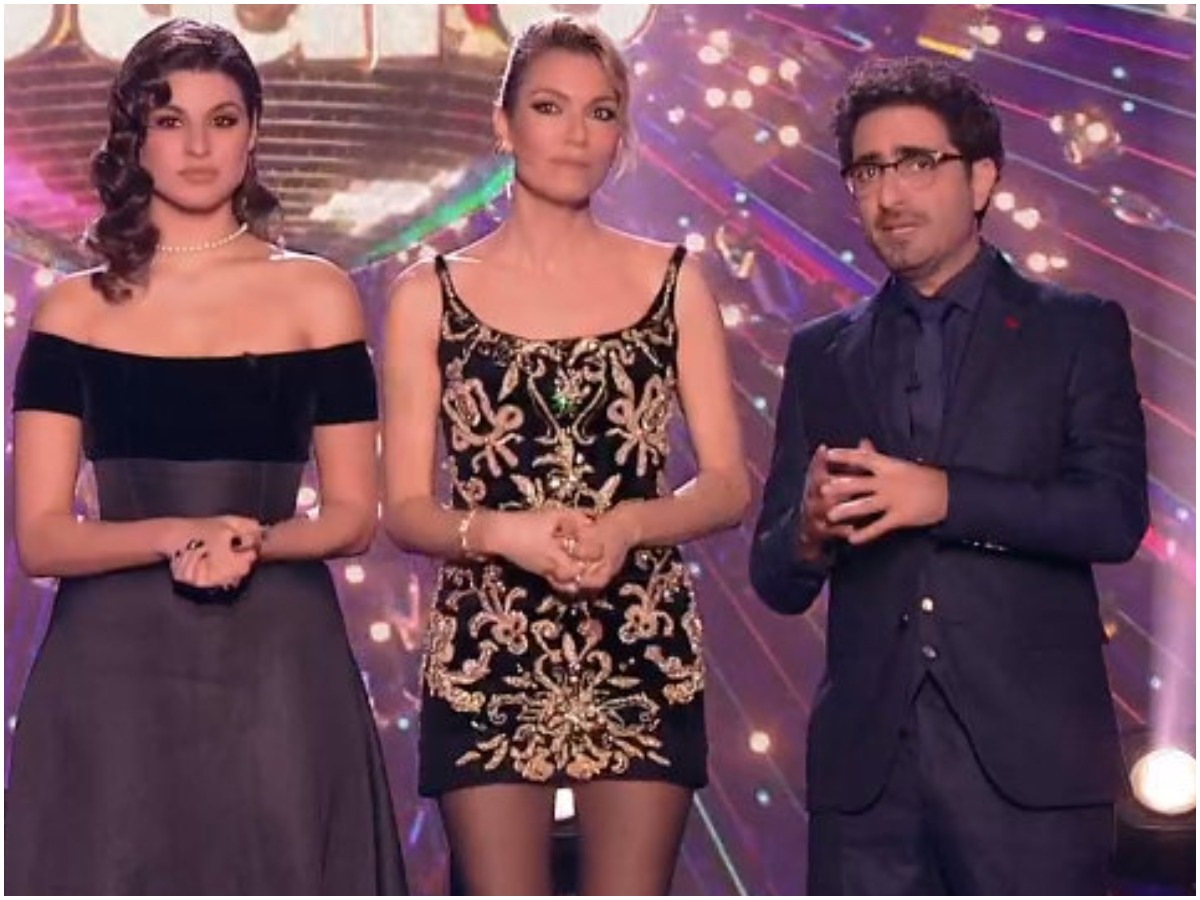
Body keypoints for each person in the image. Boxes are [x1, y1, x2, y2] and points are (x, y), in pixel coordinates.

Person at [6, 19, 407, 894]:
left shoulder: (318, 295)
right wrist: (178, 534)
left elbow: (353, 517)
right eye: (169, 120)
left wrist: (251, 540)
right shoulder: (71, 311)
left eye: (221, 121)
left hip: (278, 665)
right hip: (110, 671)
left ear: (253, 132)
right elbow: (40, 537)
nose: (196, 147)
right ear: (134, 136)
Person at [749, 56, 1148, 895]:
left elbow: (1113, 516)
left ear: (982, 178)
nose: (890, 194)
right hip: (868, 782)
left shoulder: (1075, 329)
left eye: (917, 163)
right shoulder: (822, 353)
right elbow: (775, 578)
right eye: (868, 170)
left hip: (1033, 772)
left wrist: (945, 497)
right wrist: (810, 532)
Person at [381, 15, 749, 895]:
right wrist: (505, 533)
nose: (577, 134)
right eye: (550, 107)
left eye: (601, 112)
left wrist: (628, 526)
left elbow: (729, 485)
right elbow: (406, 511)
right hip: (488, 648)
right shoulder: (428, 295)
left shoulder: (674, 280)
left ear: (621, 136)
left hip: (640, 640)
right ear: (504, 124)